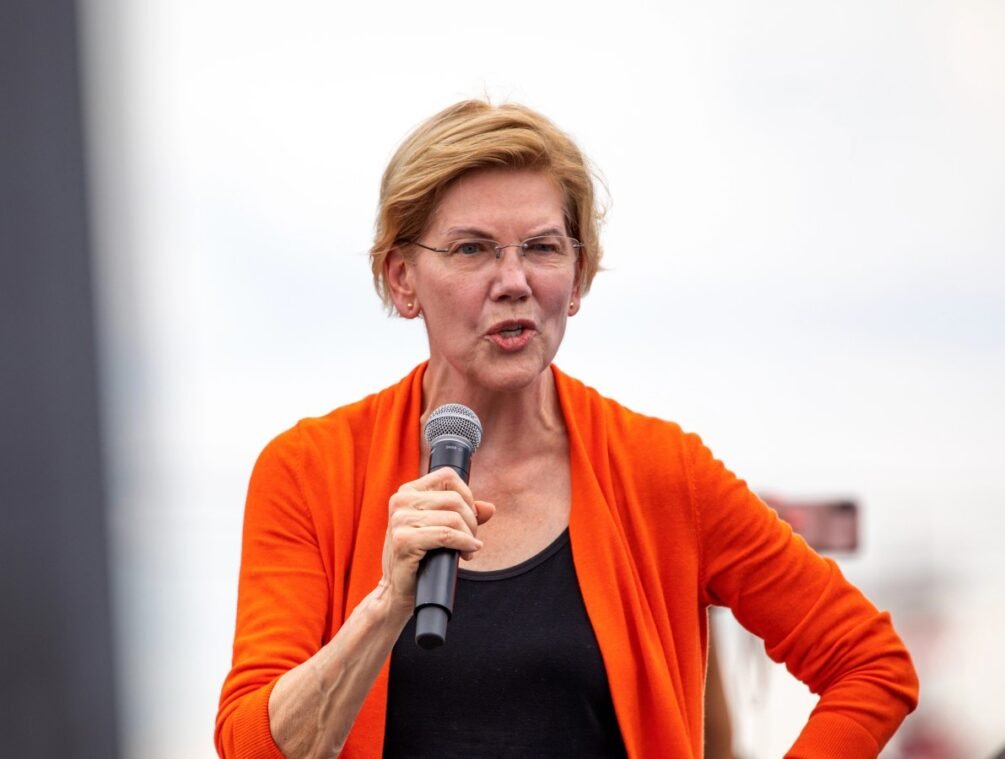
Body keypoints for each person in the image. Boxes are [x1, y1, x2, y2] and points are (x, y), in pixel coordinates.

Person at [215, 100, 919, 759]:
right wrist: (385, 607)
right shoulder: (310, 471)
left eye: (543, 247)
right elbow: (251, 745)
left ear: (577, 277)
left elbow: (869, 663)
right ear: (402, 278)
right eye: (472, 249)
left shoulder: (661, 471)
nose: (514, 280)